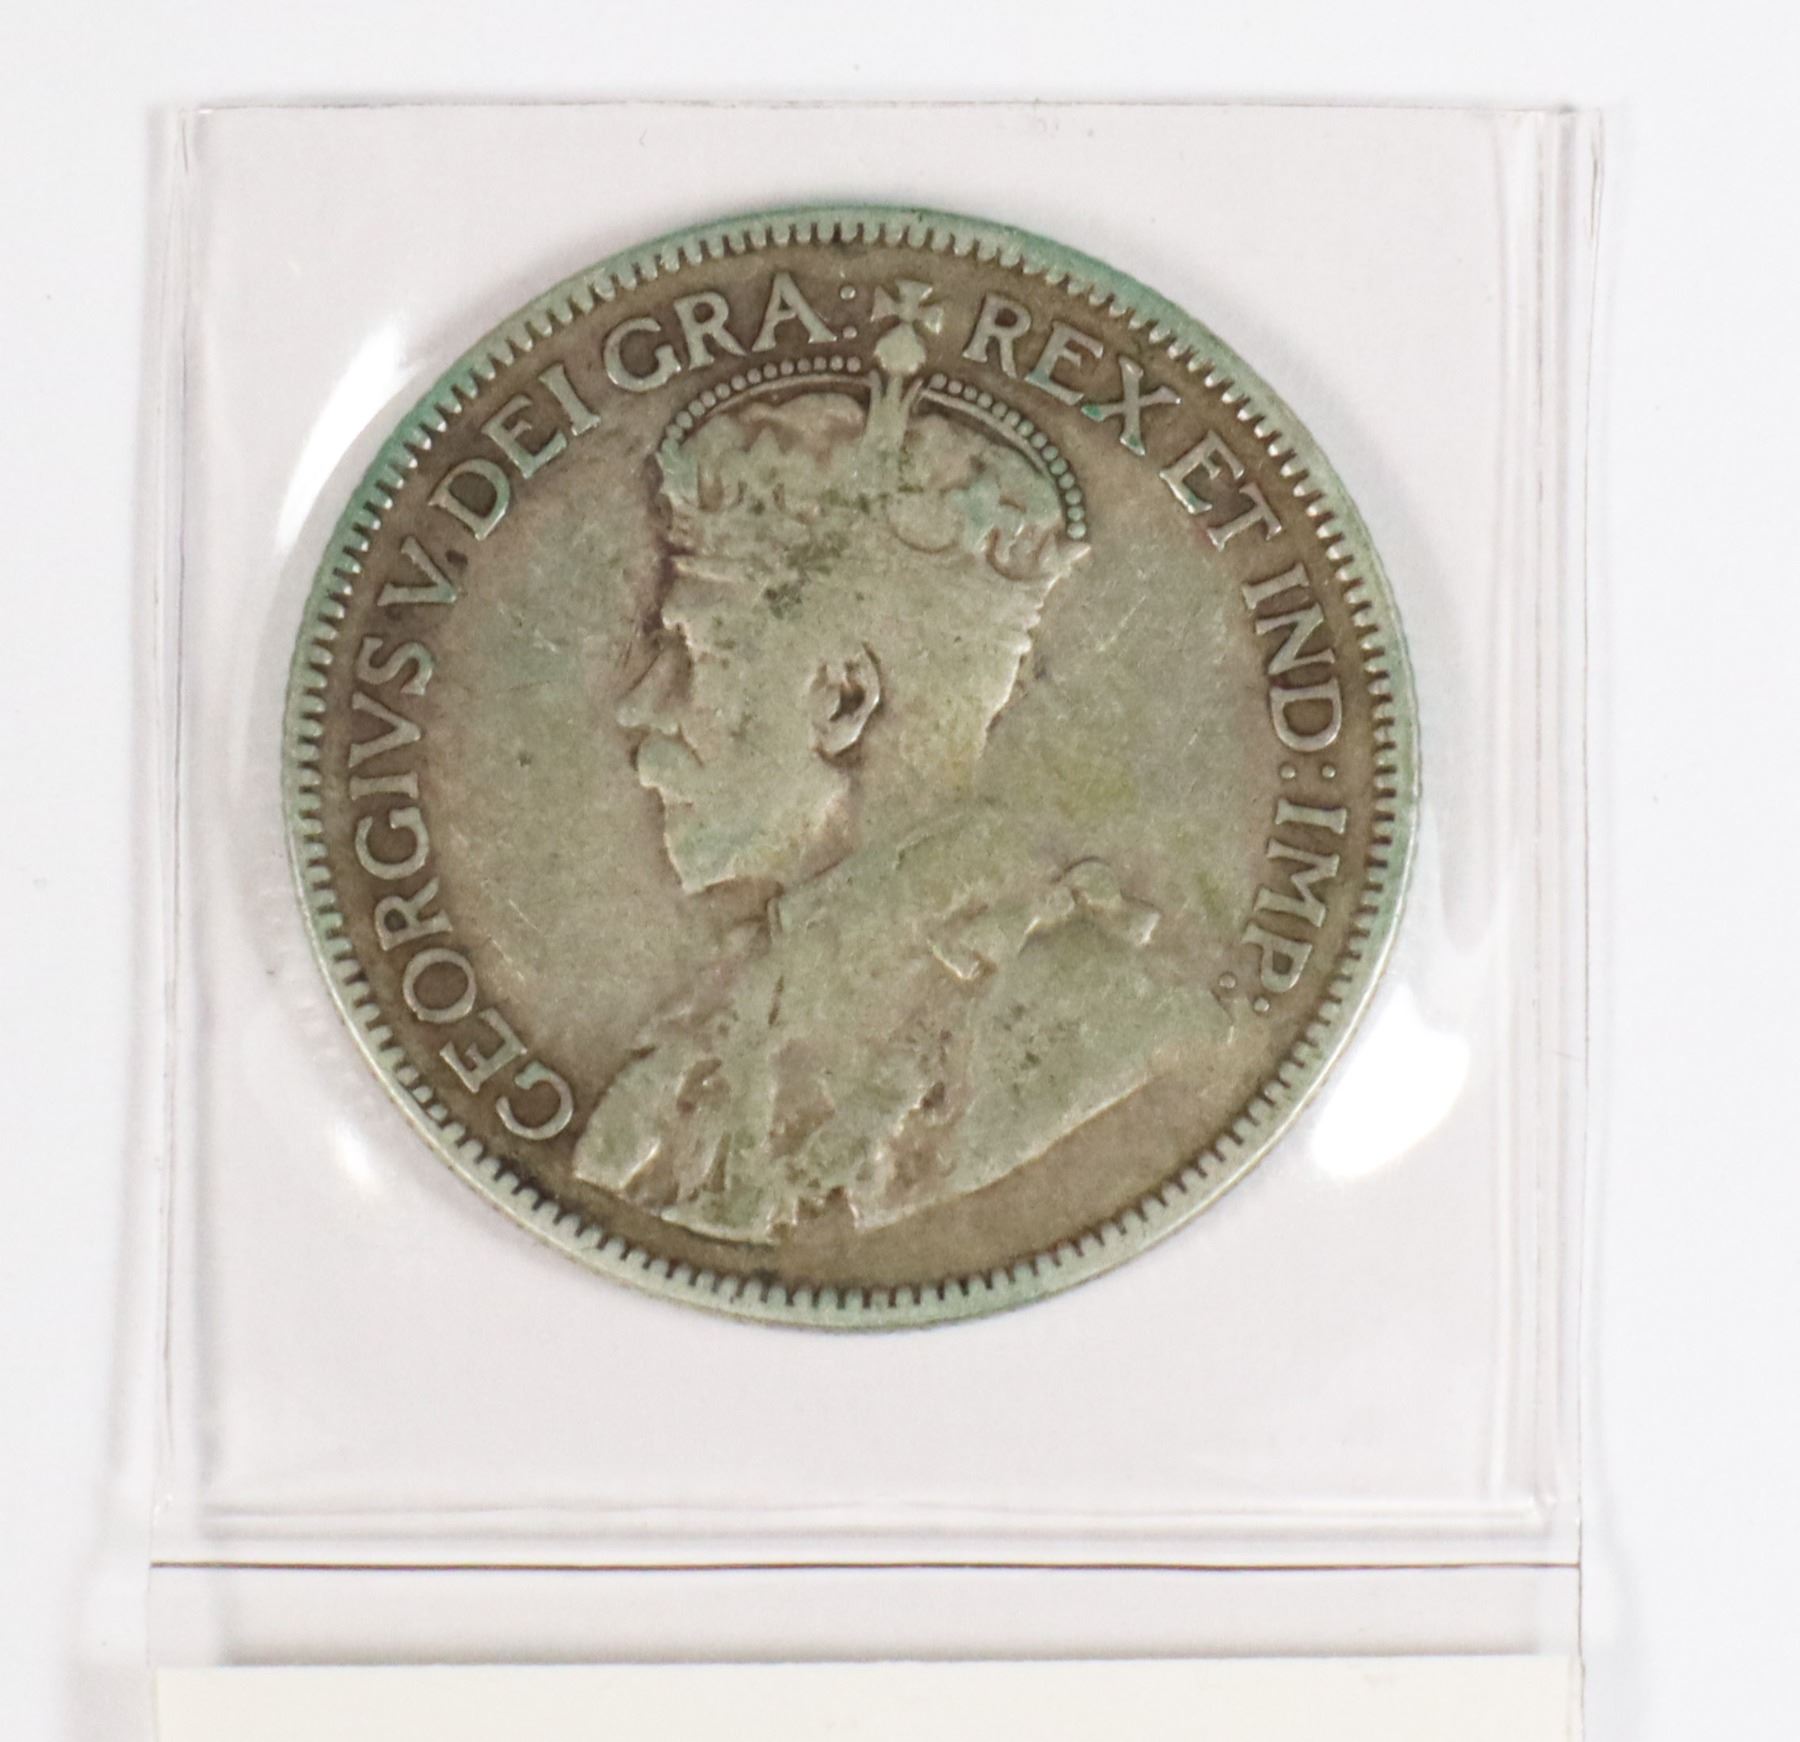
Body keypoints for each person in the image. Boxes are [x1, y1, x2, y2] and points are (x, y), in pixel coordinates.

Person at [573, 285, 1223, 1243]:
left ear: (842, 702)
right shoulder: (733, 1004)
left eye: (691, 655)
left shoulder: (1107, 1027)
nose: (641, 706)